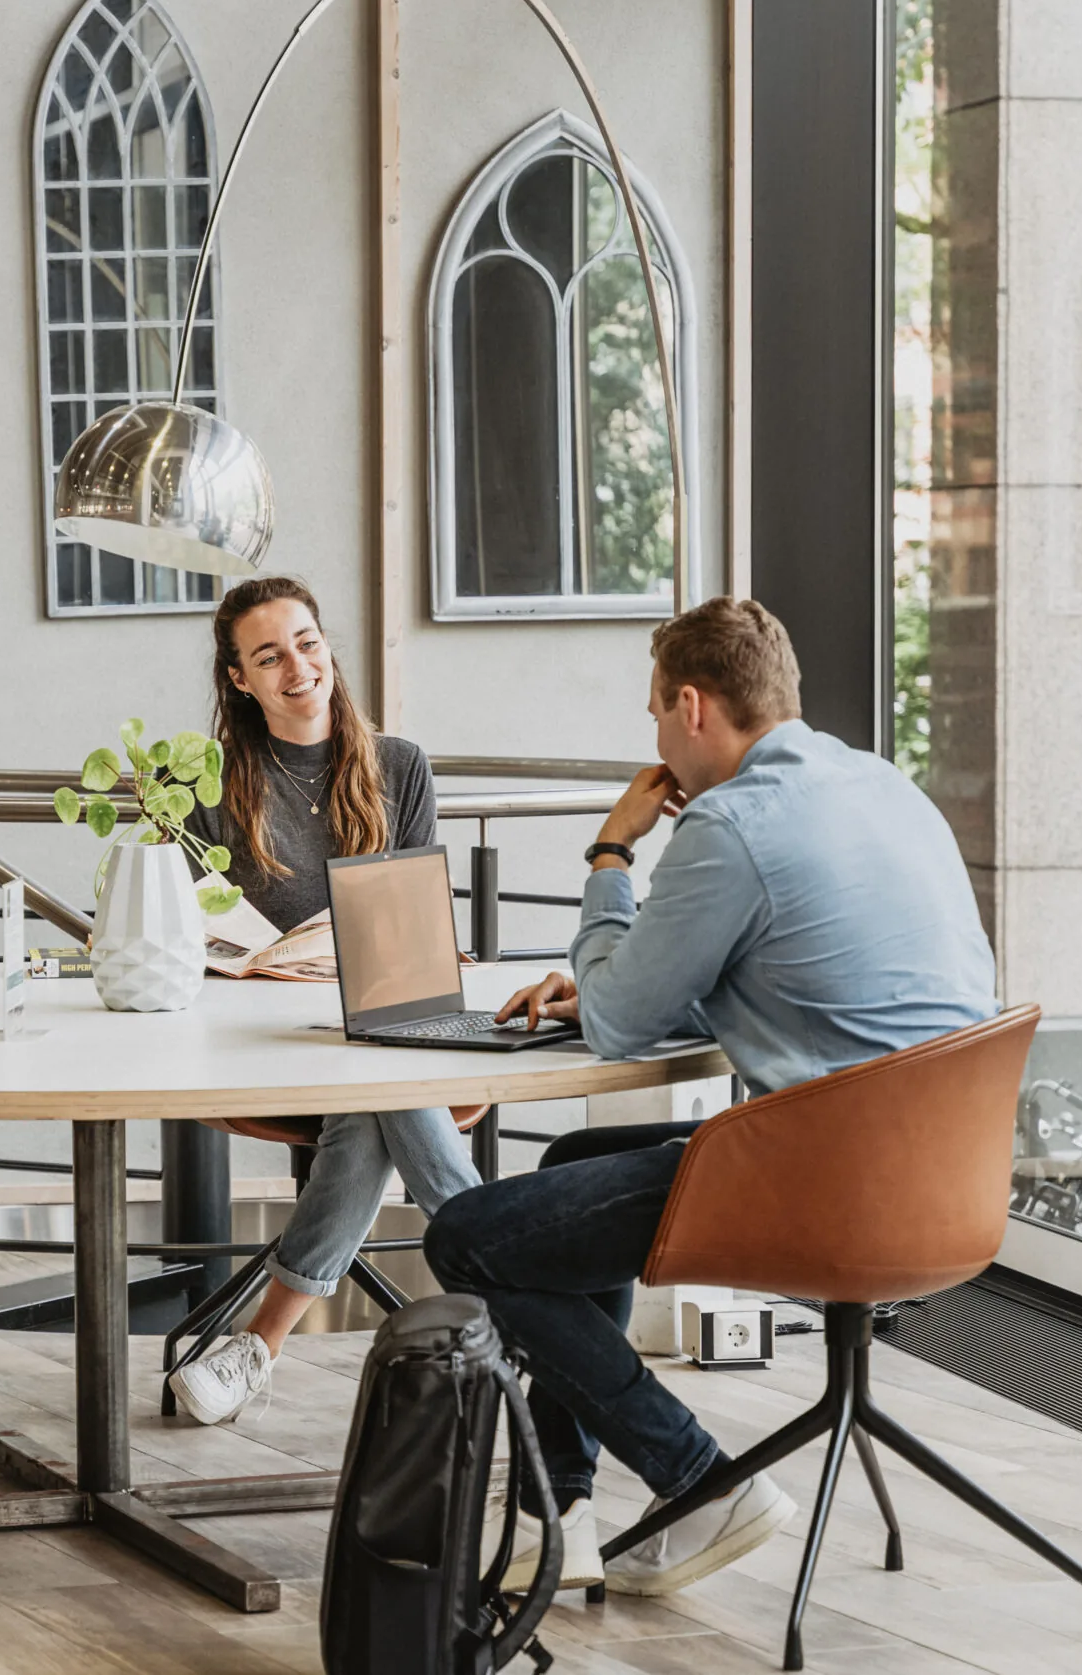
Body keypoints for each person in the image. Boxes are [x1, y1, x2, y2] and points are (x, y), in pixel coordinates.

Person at [425, 596, 996, 1596]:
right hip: (948, 1181)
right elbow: (805, 981)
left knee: (470, 1238)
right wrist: (639, 972)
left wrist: (611, 853)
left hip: (825, 1184)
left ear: (693, 707)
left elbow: (613, 1024)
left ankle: (699, 1479)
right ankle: (556, 1507)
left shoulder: (730, 826)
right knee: (572, 1170)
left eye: (652, 712)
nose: (650, 736)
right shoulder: (881, 786)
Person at [166, 576, 480, 1424]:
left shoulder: (399, 767)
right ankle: (504, 1290)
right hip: (264, 1040)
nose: (298, 666)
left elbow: (417, 921)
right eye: (269, 655)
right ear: (240, 679)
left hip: (383, 1025)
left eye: (307, 642)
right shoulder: (210, 784)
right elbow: (189, 935)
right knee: (383, 1091)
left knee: (375, 1087)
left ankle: (258, 1345)